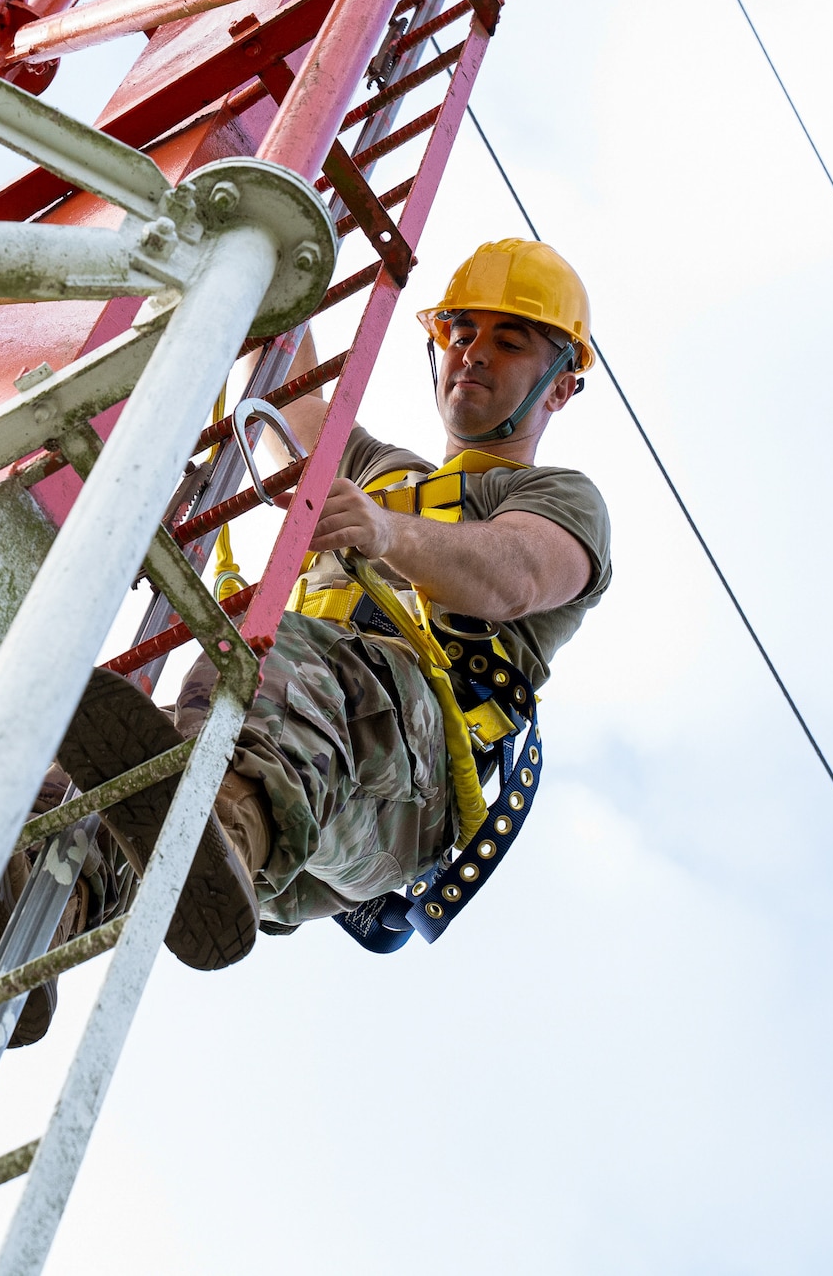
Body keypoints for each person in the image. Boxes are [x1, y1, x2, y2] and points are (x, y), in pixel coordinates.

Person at [50, 237, 613, 972]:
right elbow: (285, 396)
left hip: (402, 779)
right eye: (460, 333)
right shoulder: (376, 468)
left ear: (562, 385)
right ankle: (46, 890)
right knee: (102, 781)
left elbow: (516, 576)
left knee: (264, 661)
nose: (473, 354)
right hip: (296, 768)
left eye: (509, 342)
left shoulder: (560, 500)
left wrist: (387, 532)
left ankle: (223, 817)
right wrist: (265, 249)